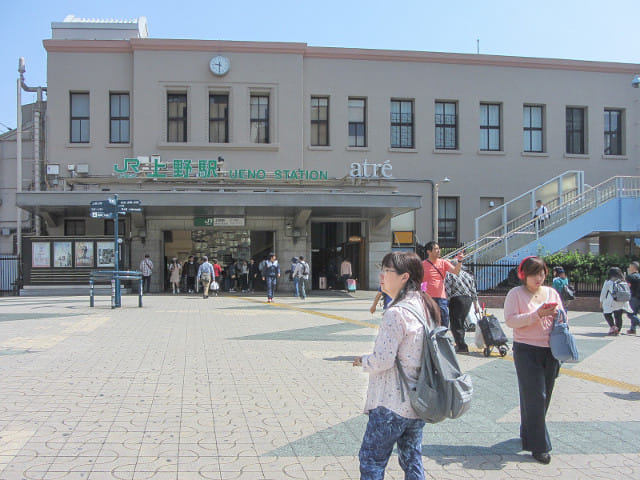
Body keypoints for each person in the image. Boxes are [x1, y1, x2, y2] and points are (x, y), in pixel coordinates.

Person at [352, 251, 440, 480]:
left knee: (372, 460)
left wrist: (364, 360)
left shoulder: (396, 313)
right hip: (418, 401)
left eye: (387, 270)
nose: (381, 275)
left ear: (404, 277)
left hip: (391, 404)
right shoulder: (425, 306)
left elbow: (383, 360)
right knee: (412, 460)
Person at [504, 256, 563, 465]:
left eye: (541, 273)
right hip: (526, 350)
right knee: (535, 396)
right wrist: (536, 315)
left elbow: (563, 316)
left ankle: (528, 432)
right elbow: (511, 320)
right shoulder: (516, 294)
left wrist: (557, 314)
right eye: (533, 274)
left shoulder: (552, 292)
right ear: (523, 275)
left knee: (543, 397)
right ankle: (540, 446)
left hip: (551, 350)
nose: (538, 278)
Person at [421, 241, 463, 328]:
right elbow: (419, 280)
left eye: (439, 248)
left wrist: (459, 261)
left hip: (441, 297)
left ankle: (441, 336)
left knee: (444, 318)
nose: (439, 251)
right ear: (429, 252)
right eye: (436, 249)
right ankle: (429, 337)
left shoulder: (443, 262)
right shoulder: (422, 265)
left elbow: (456, 271)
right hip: (427, 298)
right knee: (427, 319)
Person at [445, 263, 479, 353]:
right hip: (468, 300)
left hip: (457, 300)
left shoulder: (450, 275)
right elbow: (473, 291)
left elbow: (448, 290)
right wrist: (476, 305)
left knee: (456, 323)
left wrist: (445, 302)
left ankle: (461, 346)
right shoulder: (468, 275)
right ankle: (461, 343)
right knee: (461, 322)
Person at [599, 267, 633, 336]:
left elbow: (603, 293)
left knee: (607, 314)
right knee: (618, 316)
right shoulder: (624, 281)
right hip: (623, 301)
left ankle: (613, 327)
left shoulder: (608, 282)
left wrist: (601, 302)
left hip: (612, 301)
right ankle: (618, 330)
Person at [626, 261, 640, 335]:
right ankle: (632, 329)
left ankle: (635, 327)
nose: (629, 268)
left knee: (630, 314)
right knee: (635, 313)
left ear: (633, 267)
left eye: (630, 267)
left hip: (634, 297)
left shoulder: (630, 277)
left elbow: (627, 287)